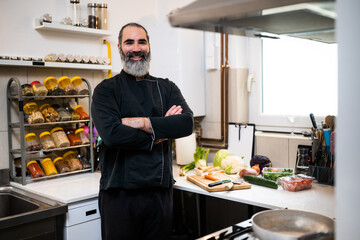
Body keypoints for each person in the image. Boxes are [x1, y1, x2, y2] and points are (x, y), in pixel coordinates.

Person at [91, 22, 194, 240]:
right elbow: (112, 134)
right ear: (119, 48)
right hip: (119, 196)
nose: (136, 49)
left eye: (142, 42)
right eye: (129, 42)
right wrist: (161, 131)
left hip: (159, 194)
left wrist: (143, 123)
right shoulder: (106, 90)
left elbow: (186, 124)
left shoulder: (166, 88)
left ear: (149, 47)